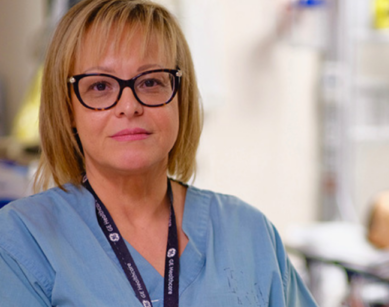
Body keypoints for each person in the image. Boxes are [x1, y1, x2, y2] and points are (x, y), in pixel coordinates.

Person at [0, 1, 317, 306]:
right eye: (100, 86)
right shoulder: (22, 241)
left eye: (151, 81)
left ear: (180, 97)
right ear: (68, 109)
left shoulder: (249, 234)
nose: (129, 106)